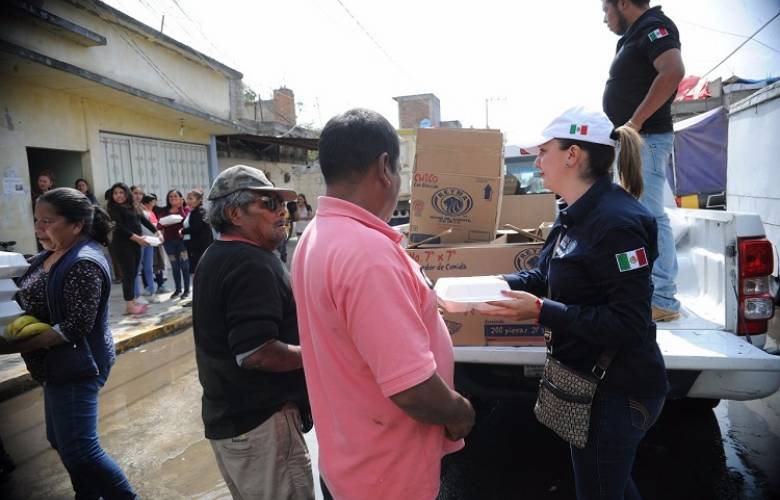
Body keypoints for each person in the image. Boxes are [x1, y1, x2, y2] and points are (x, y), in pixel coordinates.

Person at [480, 107, 668, 500]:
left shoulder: (616, 223)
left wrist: (539, 311)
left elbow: (629, 323)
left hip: (619, 390)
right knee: (609, 486)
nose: (536, 161)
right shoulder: (573, 213)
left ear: (573, 155)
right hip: (593, 384)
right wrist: (488, 286)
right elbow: (542, 275)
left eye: (543, 151)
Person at [291, 109, 475, 500]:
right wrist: (460, 412)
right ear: (385, 166)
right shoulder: (366, 253)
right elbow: (411, 388)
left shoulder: (316, 236)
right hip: (387, 476)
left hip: (351, 461)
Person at [0, 187, 137, 499]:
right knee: (61, 440)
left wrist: (9, 348)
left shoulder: (83, 262)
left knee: (81, 450)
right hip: (56, 366)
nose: (38, 228)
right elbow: (21, 271)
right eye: (36, 220)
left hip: (78, 364)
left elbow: (75, 327)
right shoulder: (51, 254)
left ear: (76, 225)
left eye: (47, 221)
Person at [192, 165, 313, 500]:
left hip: (235, 424)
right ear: (234, 213)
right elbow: (256, 353)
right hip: (261, 426)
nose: (281, 212)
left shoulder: (218, 256)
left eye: (283, 205)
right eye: (268, 204)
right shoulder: (250, 263)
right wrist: (320, 355)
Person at [601, 0, 685, 321]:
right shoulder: (637, 33)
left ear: (622, 3)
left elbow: (673, 70)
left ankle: (663, 298)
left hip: (645, 138)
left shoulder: (652, 26)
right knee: (637, 217)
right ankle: (648, 291)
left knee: (650, 216)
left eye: (606, 10)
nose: (604, 19)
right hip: (635, 141)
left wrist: (634, 123)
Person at [107, 182, 160, 314]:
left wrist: (156, 232)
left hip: (136, 243)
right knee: (128, 274)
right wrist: (137, 238)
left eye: (121, 192)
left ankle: (132, 301)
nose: (118, 196)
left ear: (126, 193)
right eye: (115, 193)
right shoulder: (113, 208)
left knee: (134, 272)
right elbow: (119, 227)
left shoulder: (133, 205)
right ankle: (130, 306)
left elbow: (143, 220)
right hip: (123, 244)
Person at [158, 189, 190, 300]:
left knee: (185, 266)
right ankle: (177, 289)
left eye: (175, 196)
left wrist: (180, 208)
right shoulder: (164, 212)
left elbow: (187, 222)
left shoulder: (186, 210)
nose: (172, 198)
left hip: (182, 242)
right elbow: (159, 226)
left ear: (181, 198)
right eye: (170, 196)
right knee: (175, 267)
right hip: (169, 243)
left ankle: (186, 290)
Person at [181, 189, 213, 273]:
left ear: (199, 200)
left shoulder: (199, 211)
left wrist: (182, 231)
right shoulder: (194, 211)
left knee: (198, 269)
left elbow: (196, 228)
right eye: (187, 198)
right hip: (195, 246)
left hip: (198, 246)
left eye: (191, 199)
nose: (188, 201)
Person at [138, 194, 161, 297]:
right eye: (135, 193)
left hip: (150, 241)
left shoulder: (149, 212)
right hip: (139, 241)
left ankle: (152, 292)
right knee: (137, 269)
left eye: (139, 194)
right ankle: (137, 295)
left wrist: (158, 234)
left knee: (149, 268)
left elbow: (152, 225)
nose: (137, 196)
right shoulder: (137, 211)